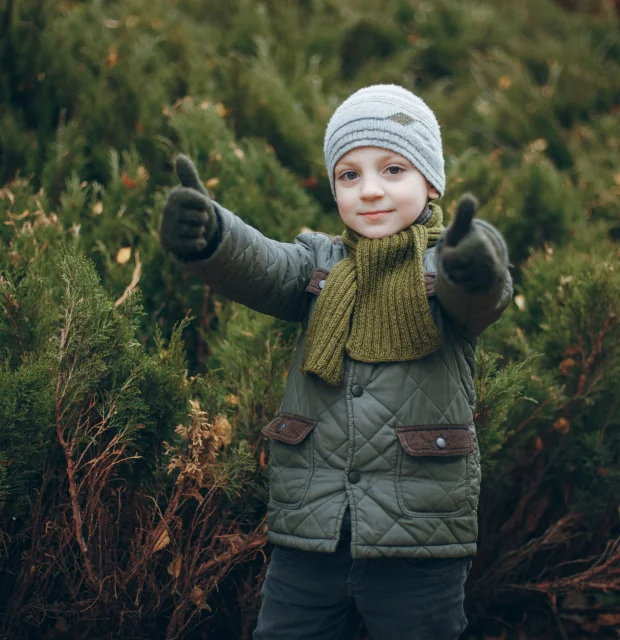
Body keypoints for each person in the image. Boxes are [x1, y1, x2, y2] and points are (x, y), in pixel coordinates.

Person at [160, 84, 512, 640]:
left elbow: (480, 295)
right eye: (349, 175)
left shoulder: (447, 266)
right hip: (310, 530)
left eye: (393, 169)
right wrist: (212, 236)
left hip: (419, 538)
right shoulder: (317, 264)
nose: (370, 190)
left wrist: (476, 261)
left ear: (432, 181)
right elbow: (260, 263)